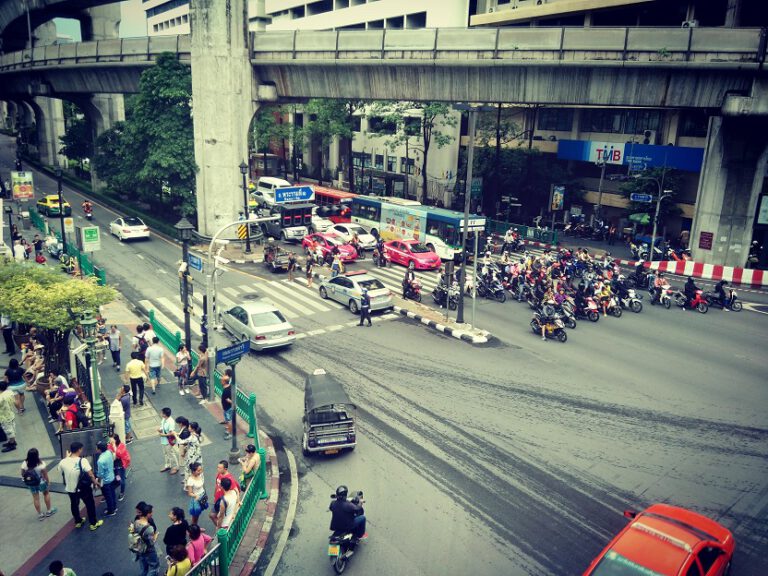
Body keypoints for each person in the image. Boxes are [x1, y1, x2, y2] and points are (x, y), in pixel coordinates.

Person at [57, 441, 103, 531]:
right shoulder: (83, 461)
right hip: (83, 488)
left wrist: (66, 458)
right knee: (90, 504)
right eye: (81, 449)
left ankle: (78, 521)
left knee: (74, 505)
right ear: (79, 450)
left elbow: (59, 470)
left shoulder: (63, 461)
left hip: (71, 489)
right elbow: (90, 474)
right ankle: (93, 524)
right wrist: (95, 482)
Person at [21, 447, 57, 520]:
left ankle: (40, 515)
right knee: (46, 494)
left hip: (31, 483)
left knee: (36, 498)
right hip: (41, 482)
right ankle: (49, 511)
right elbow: (45, 475)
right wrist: (48, 482)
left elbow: (22, 474)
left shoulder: (24, 463)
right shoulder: (41, 464)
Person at [208, 460, 240, 525]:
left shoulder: (230, 479)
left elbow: (236, 490)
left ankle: (220, 528)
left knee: (214, 515)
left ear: (225, 469)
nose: (218, 469)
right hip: (217, 499)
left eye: (220, 468)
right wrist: (215, 495)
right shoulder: (219, 474)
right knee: (213, 515)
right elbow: (217, 485)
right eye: (217, 467)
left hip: (223, 501)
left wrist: (238, 501)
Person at [132, 501, 160, 576]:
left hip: (140, 548)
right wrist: (156, 535)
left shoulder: (136, 522)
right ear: (147, 514)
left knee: (144, 568)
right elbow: (152, 541)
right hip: (149, 550)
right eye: (151, 512)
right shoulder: (149, 528)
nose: (152, 514)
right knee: (154, 567)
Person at [95, 440, 118, 517]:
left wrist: (97, 481)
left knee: (108, 496)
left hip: (105, 481)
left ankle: (111, 511)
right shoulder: (109, 452)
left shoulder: (100, 461)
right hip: (112, 476)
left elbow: (100, 474)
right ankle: (114, 507)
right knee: (112, 493)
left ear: (99, 449)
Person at [108, 433, 131, 501]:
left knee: (122, 480)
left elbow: (120, 454)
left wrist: (114, 446)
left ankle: (122, 492)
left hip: (121, 464)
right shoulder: (109, 446)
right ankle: (117, 481)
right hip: (114, 465)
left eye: (111, 440)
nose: (110, 442)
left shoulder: (122, 445)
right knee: (117, 476)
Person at [158, 407, 179, 474]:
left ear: (165, 414)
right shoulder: (164, 419)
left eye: (162, 413)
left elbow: (171, 433)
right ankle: (167, 465)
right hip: (163, 440)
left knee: (171, 453)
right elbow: (162, 426)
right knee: (165, 453)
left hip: (168, 440)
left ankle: (176, 467)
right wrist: (160, 429)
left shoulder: (171, 422)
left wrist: (163, 435)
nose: (161, 413)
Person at [221, 374, 233, 440]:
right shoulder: (229, 387)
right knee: (228, 419)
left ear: (224, 382)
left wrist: (233, 403)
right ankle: (228, 428)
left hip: (228, 408)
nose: (220, 381)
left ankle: (229, 433)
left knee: (229, 421)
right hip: (227, 408)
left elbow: (228, 399)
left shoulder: (226, 391)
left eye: (221, 380)